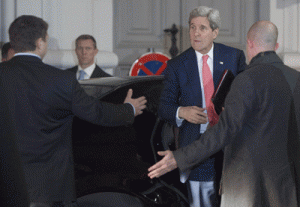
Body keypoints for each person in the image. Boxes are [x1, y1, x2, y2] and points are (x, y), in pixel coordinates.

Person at [148, 20, 300, 207]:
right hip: (287, 188)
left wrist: (179, 158)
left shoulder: (246, 80)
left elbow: (223, 131)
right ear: (276, 46)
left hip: (247, 189)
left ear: (249, 43)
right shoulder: (296, 79)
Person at [0, 15, 147, 206]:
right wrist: (128, 109)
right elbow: (96, 112)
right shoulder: (61, 80)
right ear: (40, 43)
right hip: (50, 188)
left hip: (6, 184)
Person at [157, 6, 246, 207]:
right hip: (197, 147)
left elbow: (248, 98)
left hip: (231, 144)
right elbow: (164, 107)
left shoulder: (234, 57)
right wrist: (183, 111)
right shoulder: (177, 65)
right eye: (192, 27)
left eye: (202, 28)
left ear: (215, 32)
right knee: (202, 202)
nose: (195, 33)